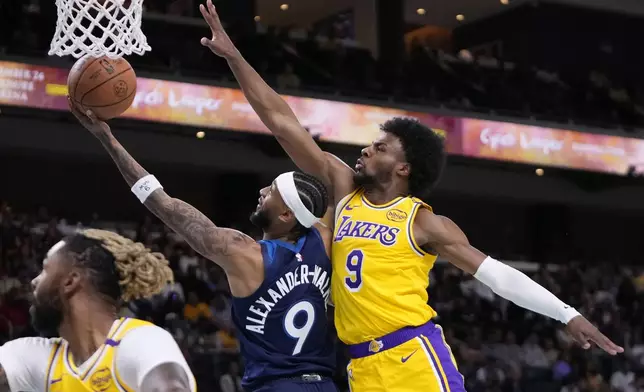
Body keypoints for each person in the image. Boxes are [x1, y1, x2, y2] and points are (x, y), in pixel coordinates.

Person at [196, 1, 624, 391]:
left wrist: (567, 313)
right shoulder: (345, 191)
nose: (366, 149)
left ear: (404, 169)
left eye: (380, 148)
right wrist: (235, 57)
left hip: (413, 358)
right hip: (360, 368)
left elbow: (496, 275)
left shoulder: (422, 221)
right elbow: (281, 121)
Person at [68, 99, 337, 392]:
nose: (261, 192)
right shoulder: (325, 241)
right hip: (325, 384)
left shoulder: (244, 253)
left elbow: (163, 204)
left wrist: (106, 138)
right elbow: (340, 184)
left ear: (286, 215)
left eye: (272, 191)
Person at [0, 229, 196, 392]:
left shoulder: (139, 341)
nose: (34, 281)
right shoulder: (40, 358)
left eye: (45, 269)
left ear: (70, 281)